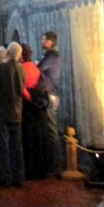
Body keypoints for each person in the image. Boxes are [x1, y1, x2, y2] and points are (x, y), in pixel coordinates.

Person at [0, 41, 26, 188]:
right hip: (17, 111)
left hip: (2, 111)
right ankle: (18, 177)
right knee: (17, 146)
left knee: (2, 145)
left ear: (8, 53)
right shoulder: (22, 69)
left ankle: (4, 177)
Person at [21, 43, 47, 179]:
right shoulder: (35, 68)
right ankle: (39, 169)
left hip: (27, 104)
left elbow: (21, 87)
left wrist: (28, 97)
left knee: (27, 137)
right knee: (37, 136)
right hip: (37, 104)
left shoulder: (22, 68)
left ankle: (29, 170)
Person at [38, 31, 63, 176]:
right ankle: (51, 164)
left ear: (50, 41)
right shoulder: (51, 55)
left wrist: (36, 64)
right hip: (49, 94)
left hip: (49, 95)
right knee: (48, 130)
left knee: (51, 131)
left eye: (44, 39)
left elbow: (39, 68)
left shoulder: (51, 55)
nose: (42, 41)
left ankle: (55, 166)